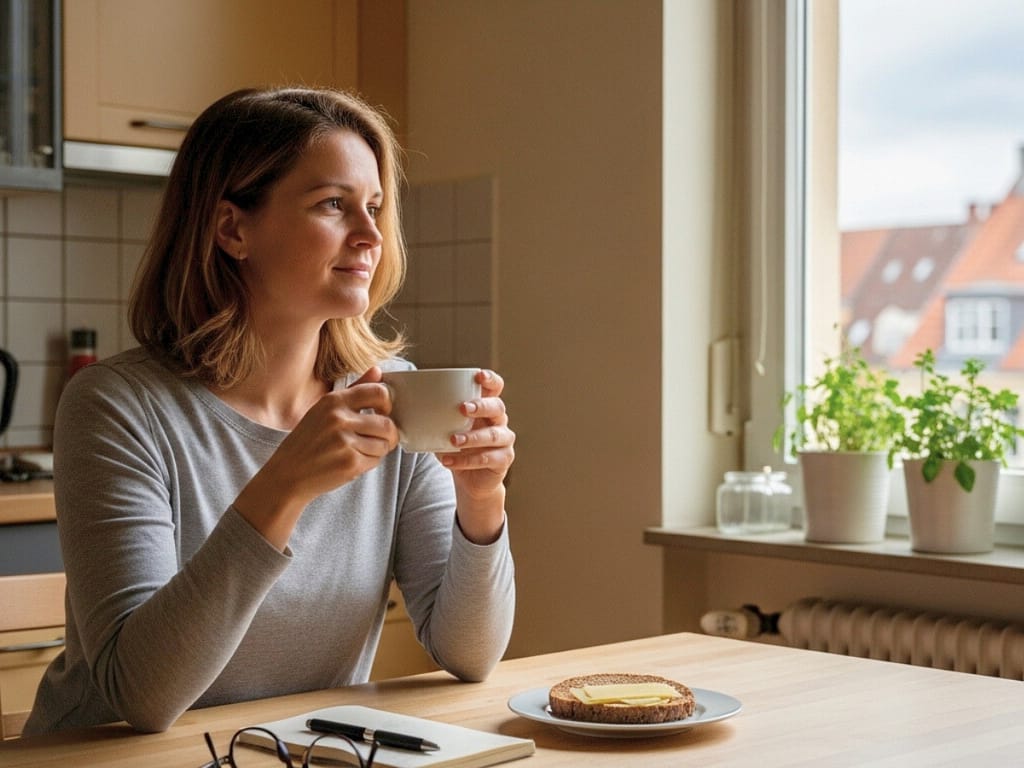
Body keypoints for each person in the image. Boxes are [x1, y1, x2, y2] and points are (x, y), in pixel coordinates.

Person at [23, 86, 516, 735]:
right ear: (233, 228)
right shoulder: (117, 406)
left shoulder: (393, 396)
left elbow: (470, 655)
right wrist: (284, 484)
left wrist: (481, 503)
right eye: (333, 204)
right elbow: (139, 698)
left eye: (373, 206)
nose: (370, 234)